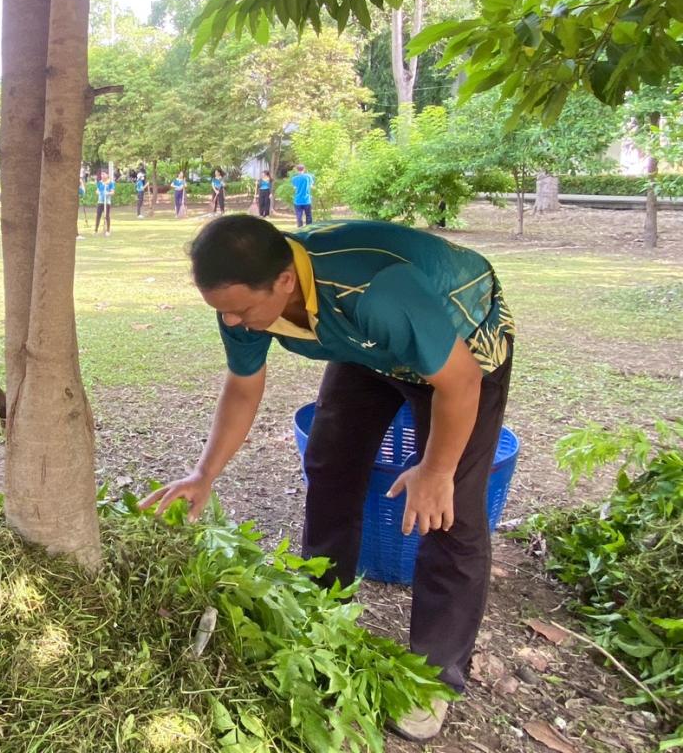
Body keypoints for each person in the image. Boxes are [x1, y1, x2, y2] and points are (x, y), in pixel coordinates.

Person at [141, 215, 514, 741]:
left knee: (449, 513)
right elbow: (243, 387)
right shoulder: (243, 305)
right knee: (329, 461)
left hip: (460, 348)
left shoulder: (373, 291)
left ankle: (433, 677)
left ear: (286, 281)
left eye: (243, 309)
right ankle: (318, 612)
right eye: (221, 310)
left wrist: (435, 469)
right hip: (365, 347)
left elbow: (460, 382)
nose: (233, 322)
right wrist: (204, 475)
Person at [94, 170, 114, 236]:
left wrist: (108, 193)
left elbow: (112, 192)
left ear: (107, 175)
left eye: (104, 174)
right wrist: (98, 192)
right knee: (98, 216)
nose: (102, 176)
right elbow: (97, 191)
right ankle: (96, 230)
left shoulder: (110, 183)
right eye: (101, 174)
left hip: (107, 202)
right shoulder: (100, 182)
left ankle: (108, 231)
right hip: (100, 201)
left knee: (107, 216)